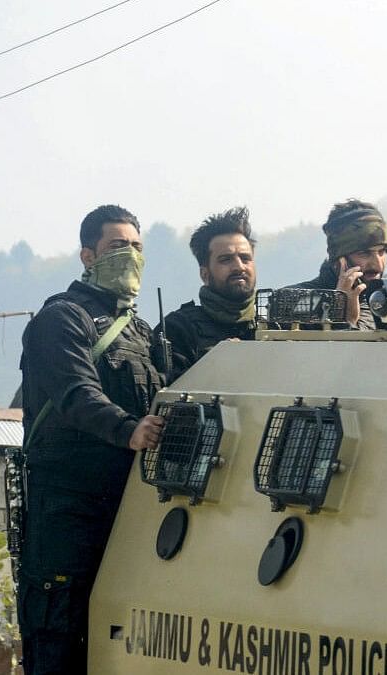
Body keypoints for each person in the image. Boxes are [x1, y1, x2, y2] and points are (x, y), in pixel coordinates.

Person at [17, 204, 165, 674]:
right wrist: (128, 430)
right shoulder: (61, 319)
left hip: (125, 510)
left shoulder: (141, 332)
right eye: (118, 247)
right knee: (60, 640)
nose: (131, 257)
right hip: (66, 513)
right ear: (87, 255)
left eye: (137, 248)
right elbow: (76, 394)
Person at [156, 206, 257, 381]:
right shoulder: (178, 329)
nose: (239, 267)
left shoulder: (276, 326)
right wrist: (216, 364)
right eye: (226, 260)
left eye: (245, 258)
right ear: (205, 274)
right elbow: (171, 398)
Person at [289, 198, 387, 329]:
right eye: (364, 253)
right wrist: (343, 318)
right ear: (340, 260)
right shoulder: (293, 302)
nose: (378, 265)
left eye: (382, 251)